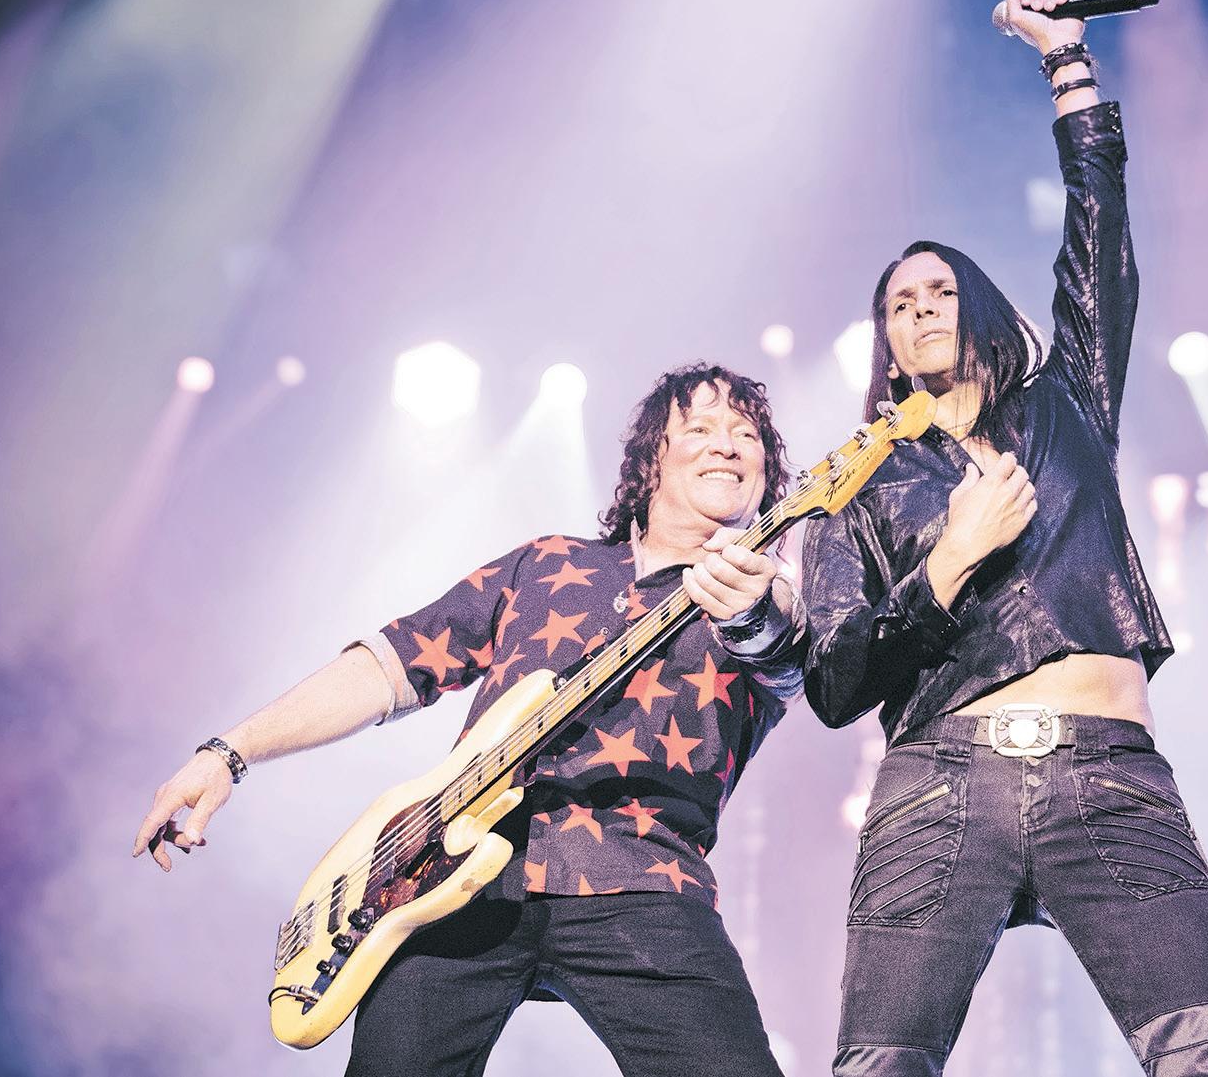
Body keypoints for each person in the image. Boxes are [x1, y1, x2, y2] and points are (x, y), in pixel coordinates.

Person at [800, 0, 1208, 1077]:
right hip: (938, 779)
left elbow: (1100, 232)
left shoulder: (1066, 404)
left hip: (1110, 767)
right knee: (880, 1065)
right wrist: (944, 566)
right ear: (883, 340)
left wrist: (1067, 65)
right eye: (897, 303)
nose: (919, 306)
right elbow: (832, 682)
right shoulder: (856, 481)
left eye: (937, 288)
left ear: (977, 304)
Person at [133, 363, 803, 1077]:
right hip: (447, 878)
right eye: (699, 427)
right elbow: (390, 663)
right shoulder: (547, 564)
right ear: (652, 460)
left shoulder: (770, 596)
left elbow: (786, 662)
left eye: (745, 434)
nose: (726, 444)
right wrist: (228, 752)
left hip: (643, 879)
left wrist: (757, 613)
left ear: (767, 475)